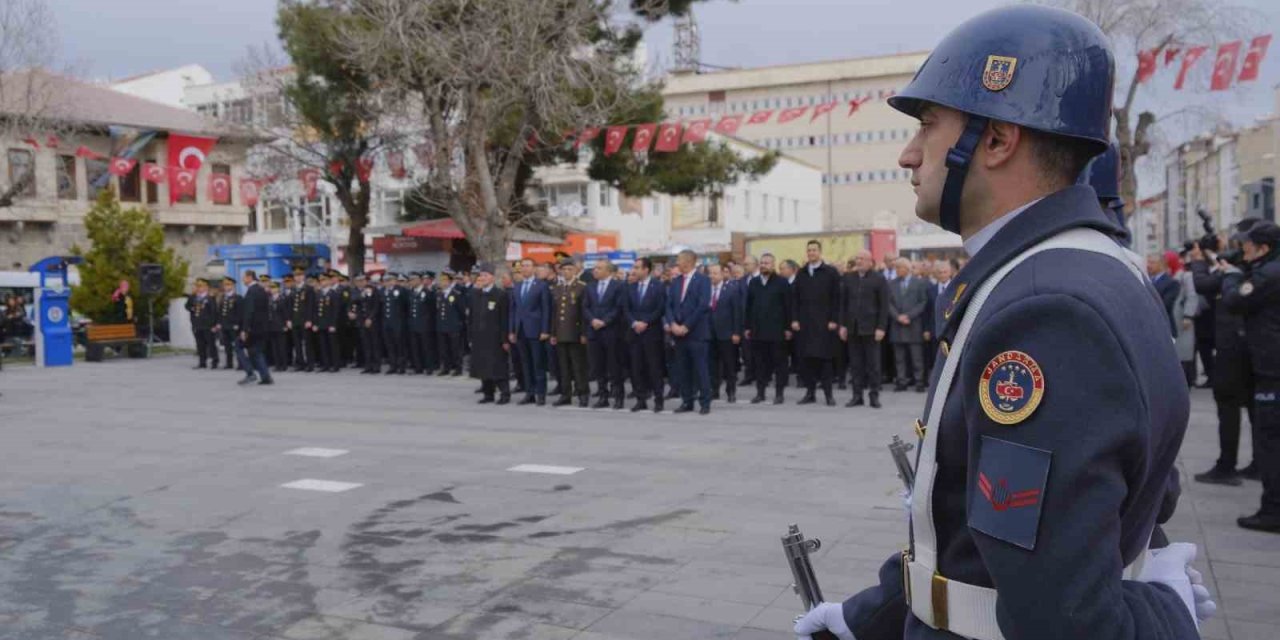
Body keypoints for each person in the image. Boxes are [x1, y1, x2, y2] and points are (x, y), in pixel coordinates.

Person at [795, 6, 1205, 639]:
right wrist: (866, 617)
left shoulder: (1049, 307)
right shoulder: (1078, 270)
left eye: (928, 125)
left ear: (996, 140)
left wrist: (1165, 612)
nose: (908, 154)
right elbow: (982, 524)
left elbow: (1066, 618)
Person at [1190, 220, 1262, 486]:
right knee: (1255, 410)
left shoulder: (1243, 270)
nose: (1243, 248)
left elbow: (1203, 284)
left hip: (1234, 348)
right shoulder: (1256, 268)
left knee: (1229, 404)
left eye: (1245, 243)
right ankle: (1258, 465)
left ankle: (1227, 466)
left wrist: (1199, 260)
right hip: (1248, 348)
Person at [1222, 221, 1280, 533]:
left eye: (1248, 244)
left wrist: (1231, 277)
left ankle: (1273, 511)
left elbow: (1236, 301)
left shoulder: (1269, 275)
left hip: (1273, 372)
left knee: (1270, 440)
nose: (1242, 248)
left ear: (1263, 248)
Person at [790, 240, 842, 405]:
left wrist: (834, 319)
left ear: (820, 252)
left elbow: (837, 298)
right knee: (807, 361)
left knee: (825, 361)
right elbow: (795, 299)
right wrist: (795, 319)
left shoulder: (830, 272)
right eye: (809, 250)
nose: (811, 253)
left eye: (814, 250)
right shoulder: (802, 273)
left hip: (824, 324)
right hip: (805, 324)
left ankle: (828, 394)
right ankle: (810, 392)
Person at [839, 250, 889, 408]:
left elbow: (884, 306)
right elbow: (843, 304)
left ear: (870, 261)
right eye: (857, 258)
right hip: (853, 328)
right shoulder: (848, 278)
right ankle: (857, 396)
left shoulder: (879, 279)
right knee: (855, 365)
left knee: (873, 365)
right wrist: (843, 325)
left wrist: (881, 327)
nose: (858, 261)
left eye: (862, 259)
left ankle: (874, 396)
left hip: (871, 329)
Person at [665, 249, 712, 414]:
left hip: (696, 332)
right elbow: (669, 304)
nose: (677, 262)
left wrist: (686, 326)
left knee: (700, 369)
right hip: (678, 333)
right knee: (683, 369)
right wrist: (672, 324)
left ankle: (705, 402)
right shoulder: (676, 281)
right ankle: (687, 401)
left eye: (679, 259)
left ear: (688, 261)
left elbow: (702, 305)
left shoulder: (703, 280)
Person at [745, 253, 792, 404]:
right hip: (758, 331)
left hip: (777, 331)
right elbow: (749, 306)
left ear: (773, 265)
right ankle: (760, 393)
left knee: (779, 364)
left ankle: (779, 393)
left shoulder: (782, 282)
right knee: (760, 364)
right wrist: (747, 326)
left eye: (767, 263)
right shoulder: (754, 283)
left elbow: (788, 307)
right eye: (762, 263)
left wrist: (788, 327)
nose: (764, 265)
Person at [625, 257, 668, 413]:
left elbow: (660, 308)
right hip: (635, 333)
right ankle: (640, 399)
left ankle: (658, 399)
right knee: (636, 368)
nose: (634, 270)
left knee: (654, 368)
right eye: (634, 267)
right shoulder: (630, 287)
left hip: (652, 333)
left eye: (637, 267)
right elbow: (626, 308)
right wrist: (634, 322)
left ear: (646, 269)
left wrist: (646, 322)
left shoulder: (658, 286)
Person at [467, 263, 512, 405]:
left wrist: (505, 339)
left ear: (492, 277)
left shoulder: (500, 295)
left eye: (486, 275)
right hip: (479, 337)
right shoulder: (476, 294)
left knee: (497, 367)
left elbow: (504, 318)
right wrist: (470, 337)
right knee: (482, 367)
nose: (483, 278)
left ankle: (505, 393)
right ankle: (488, 394)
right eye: (481, 275)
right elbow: (471, 317)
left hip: (495, 338)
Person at [584, 260, 626, 409]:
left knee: (614, 366)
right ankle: (603, 396)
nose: (595, 270)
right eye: (595, 268)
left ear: (608, 271)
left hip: (611, 331)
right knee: (598, 366)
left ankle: (618, 396)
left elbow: (619, 307)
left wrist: (605, 321)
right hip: (594, 332)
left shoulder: (618, 286)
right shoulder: (590, 287)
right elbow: (585, 307)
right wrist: (592, 320)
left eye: (599, 268)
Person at [510, 258, 551, 406]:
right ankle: (530, 392)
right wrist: (512, 330)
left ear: (534, 269)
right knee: (525, 364)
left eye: (528, 266)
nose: (524, 269)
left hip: (536, 330)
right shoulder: (517, 286)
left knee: (538, 364)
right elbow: (513, 310)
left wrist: (545, 329)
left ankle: (541, 393)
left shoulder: (541, 286)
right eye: (523, 266)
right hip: (520, 330)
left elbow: (546, 309)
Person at [551, 259, 591, 407]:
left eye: (569, 269)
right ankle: (565, 394)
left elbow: (583, 312)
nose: (566, 272)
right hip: (561, 333)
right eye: (564, 269)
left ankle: (583, 393)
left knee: (578, 366)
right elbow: (554, 314)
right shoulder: (558, 287)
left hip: (575, 332)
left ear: (575, 270)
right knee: (563, 367)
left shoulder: (581, 287)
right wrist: (553, 333)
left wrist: (583, 333)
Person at [887, 257, 929, 391]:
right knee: (899, 357)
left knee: (916, 357)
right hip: (897, 325)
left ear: (906, 269)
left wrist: (909, 316)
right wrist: (897, 316)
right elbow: (888, 303)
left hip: (913, 325)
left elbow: (923, 303)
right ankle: (901, 381)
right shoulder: (891, 284)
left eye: (899, 268)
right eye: (896, 268)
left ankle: (919, 382)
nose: (897, 271)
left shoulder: (919, 283)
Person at [707, 263, 743, 403]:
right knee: (713, 365)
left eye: (715, 273)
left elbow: (737, 312)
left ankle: (731, 391)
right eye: (710, 273)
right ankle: (714, 390)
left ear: (722, 274)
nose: (712, 276)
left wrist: (736, 332)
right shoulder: (706, 290)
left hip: (727, 333)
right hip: (710, 333)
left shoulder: (732, 290)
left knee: (729, 365)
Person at [236, 270, 273, 386]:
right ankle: (266, 377)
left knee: (238, 346)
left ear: (249, 277)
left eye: (244, 277)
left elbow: (249, 311)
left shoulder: (252, 291)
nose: (243, 280)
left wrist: (245, 329)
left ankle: (250, 373)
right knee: (256, 351)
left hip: (253, 328)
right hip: (262, 327)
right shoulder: (261, 290)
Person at [1169, 251, 1200, 386]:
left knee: (1185, 349)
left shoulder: (1185, 276)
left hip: (1183, 317)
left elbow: (1192, 296)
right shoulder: (1171, 275)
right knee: (1179, 349)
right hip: (1174, 317)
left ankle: (1189, 378)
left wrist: (1188, 315)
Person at [436, 270, 466, 376]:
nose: (442, 283)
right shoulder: (439, 294)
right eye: (441, 280)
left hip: (453, 326)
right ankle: (446, 368)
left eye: (445, 280)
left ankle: (458, 368)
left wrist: (459, 324)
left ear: (450, 282)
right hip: (442, 326)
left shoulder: (456, 294)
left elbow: (462, 311)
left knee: (455, 349)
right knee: (444, 349)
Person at [186, 278, 218, 369]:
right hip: (197, 324)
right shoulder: (194, 297)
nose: (199, 288)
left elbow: (214, 312)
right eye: (197, 286)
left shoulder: (210, 298)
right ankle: (202, 362)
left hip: (208, 325)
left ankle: (214, 361)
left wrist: (214, 324)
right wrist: (192, 308)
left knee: (211, 344)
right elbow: (187, 306)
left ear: (206, 287)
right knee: (200, 345)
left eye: (201, 286)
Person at [381, 272, 408, 374]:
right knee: (390, 345)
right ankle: (393, 366)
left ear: (395, 280)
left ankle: (401, 366)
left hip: (398, 322)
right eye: (386, 281)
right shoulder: (383, 291)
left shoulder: (401, 290)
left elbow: (406, 306)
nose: (388, 282)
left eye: (390, 280)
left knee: (400, 345)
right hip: (387, 322)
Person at [290, 272, 317, 372]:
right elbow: (290, 305)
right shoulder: (293, 289)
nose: (298, 278)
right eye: (296, 276)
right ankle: (300, 363)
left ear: (303, 277)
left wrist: (309, 319)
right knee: (297, 343)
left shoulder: (308, 289)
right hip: (295, 319)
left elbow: (311, 305)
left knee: (308, 343)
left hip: (305, 320)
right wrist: (289, 319)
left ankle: (310, 364)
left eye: (300, 276)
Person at [313, 272, 340, 372]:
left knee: (332, 345)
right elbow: (315, 310)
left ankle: (335, 365)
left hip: (330, 323)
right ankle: (326, 365)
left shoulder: (333, 293)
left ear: (329, 281)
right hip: (321, 323)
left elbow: (336, 310)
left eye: (324, 280)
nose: (322, 282)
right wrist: (315, 323)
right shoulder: (319, 293)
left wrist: (333, 324)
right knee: (323, 345)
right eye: (321, 280)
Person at [406, 273, 432, 375]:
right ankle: (418, 367)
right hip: (413, 324)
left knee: (426, 347)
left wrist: (428, 323)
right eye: (410, 280)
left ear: (419, 280)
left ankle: (429, 367)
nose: (411, 282)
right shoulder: (411, 292)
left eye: (413, 279)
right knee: (415, 347)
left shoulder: (427, 292)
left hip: (424, 325)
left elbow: (431, 309)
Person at [214, 276, 241, 371]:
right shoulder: (223, 297)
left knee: (237, 345)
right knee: (227, 345)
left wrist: (238, 324)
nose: (226, 287)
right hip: (224, 325)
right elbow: (220, 312)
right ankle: (229, 363)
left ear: (233, 286)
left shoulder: (237, 297)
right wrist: (219, 322)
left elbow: (239, 313)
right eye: (225, 285)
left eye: (228, 285)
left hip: (234, 325)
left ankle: (241, 363)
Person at [1149, 253, 1179, 335]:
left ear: (1161, 264)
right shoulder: (1147, 280)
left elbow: (1166, 305)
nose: (1149, 265)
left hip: (1165, 326)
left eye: (1152, 263)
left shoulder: (1171, 282)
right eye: (1148, 262)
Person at [267, 281, 289, 371]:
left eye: (274, 288)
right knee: (274, 347)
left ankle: (284, 365)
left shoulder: (282, 299)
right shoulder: (269, 299)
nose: (272, 290)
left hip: (280, 325)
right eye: (271, 288)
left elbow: (286, 312)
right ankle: (277, 364)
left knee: (282, 346)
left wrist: (286, 324)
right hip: (271, 326)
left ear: (278, 289)